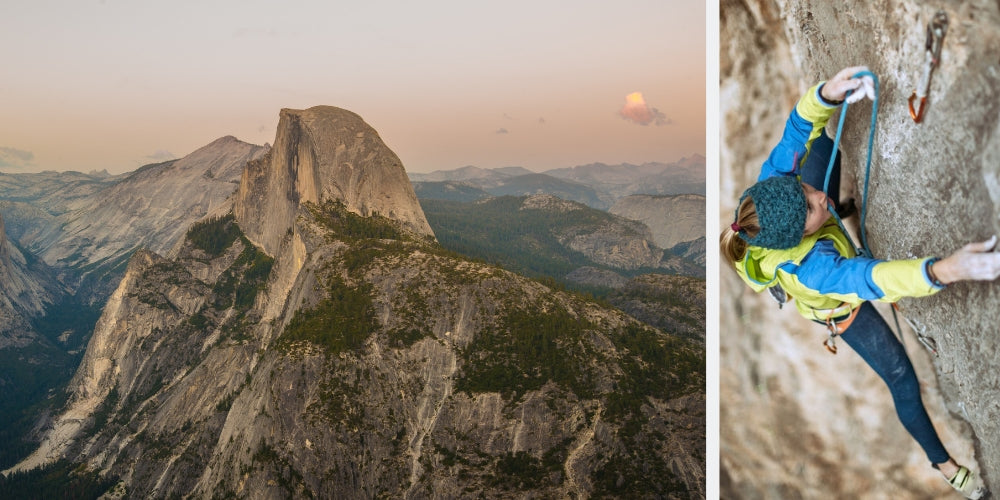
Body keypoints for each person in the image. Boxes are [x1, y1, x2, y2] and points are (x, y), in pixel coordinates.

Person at [720, 65, 999, 499]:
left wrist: (829, 94)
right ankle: (943, 464)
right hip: (841, 309)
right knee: (901, 378)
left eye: (807, 193)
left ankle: (836, 184)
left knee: (821, 143)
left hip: (810, 235)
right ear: (800, 234)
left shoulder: (774, 187)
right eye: (814, 208)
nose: (818, 197)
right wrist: (943, 270)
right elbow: (870, 279)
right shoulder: (814, 269)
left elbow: (796, 130)